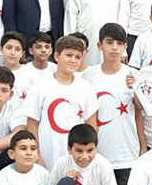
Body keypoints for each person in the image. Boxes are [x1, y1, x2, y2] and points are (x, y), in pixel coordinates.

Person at [82, 23, 142, 185]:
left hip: (127, 153)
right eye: (109, 42)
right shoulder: (87, 77)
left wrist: (143, 147)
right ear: (100, 45)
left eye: (119, 43)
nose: (114, 48)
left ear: (125, 47)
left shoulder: (134, 75)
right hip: (97, 153)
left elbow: (140, 111)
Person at [26, 35, 99, 169]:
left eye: (78, 57)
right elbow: (32, 125)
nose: (73, 60)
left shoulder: (87, 88)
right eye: (69, 55)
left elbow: (91, 126)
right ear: (57, 56)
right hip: (47, 159)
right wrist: (37, 156)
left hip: (77, 161)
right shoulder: (39, 86)